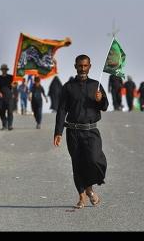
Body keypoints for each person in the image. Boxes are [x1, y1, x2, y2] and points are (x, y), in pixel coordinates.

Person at [54, 54, 109, 209]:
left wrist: (100, 99)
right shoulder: (68, 87)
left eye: (85, 66)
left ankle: (90, 188)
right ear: (75, 66)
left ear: (90, 66)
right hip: (73, 132)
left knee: (94, 160)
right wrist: (58, 132)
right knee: (77, 165)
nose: (82, 69)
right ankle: (82, 197)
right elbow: (62, 110)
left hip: (91, 132)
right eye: (80, 66)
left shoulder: (95, 85)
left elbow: (104, 106)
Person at [0, 64, 14, 130]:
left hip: (9, 97)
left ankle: (10, 125)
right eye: (3, 69)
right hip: (1, 97)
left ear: (7, 70)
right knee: (1, 111)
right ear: (1, 70)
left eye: (5, 69)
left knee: (10, 111)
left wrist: (13, 84)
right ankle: (4, 124)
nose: (4, 70)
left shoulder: (11, 77)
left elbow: (15, 85)